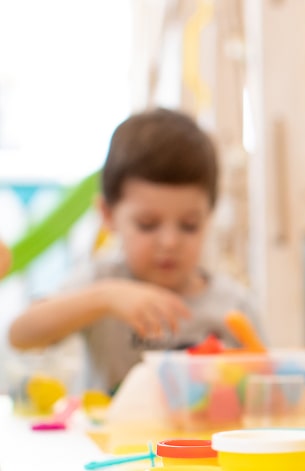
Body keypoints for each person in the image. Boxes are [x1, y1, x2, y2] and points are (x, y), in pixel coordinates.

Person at [8, 109, 263, 393]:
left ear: (209, 217)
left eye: (189, 226)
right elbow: (20, 335)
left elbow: (264, 386)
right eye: (147, 225)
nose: (169, 242)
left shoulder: (232, 305)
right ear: (108, 215)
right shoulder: (101, 282)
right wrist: (104, 298)